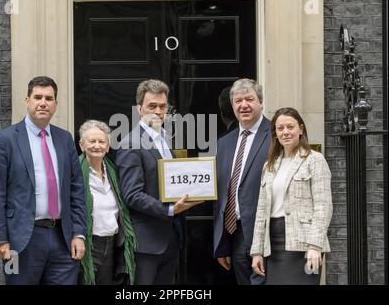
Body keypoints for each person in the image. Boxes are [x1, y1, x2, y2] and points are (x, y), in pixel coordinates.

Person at [0, 76, 87, 285]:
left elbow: (76, 189)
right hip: (19, 241)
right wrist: (0, 238)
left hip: (63, 238)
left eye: (49, 98)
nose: (43, 102)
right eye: (38, 97)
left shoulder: (64, 138)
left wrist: (78, 233)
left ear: (55, 104)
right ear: (27, 101)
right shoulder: (5, 140)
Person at [116, 79, 202, 284]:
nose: (157, 111)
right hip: (145, 243)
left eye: (162, 106)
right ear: (139, 109)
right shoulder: (130, 143)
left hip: (170, 239)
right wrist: (170, 209)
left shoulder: (164, 139)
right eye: (151, 106)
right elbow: (131, 195)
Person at [250, 107, 333, 285]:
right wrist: (256, 251)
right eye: (280, 128)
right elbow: (261, 211)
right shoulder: (269, 166)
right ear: (275, 133)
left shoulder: (315, 160)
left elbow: (323, 206)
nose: (285, 132)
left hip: (304, 244)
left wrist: (315, 245)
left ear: (300, 129)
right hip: (273, 245)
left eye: (290, 127)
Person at [213, 78, 271, 285]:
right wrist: (223, 243)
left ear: (261, 102)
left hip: (267, 234)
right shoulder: (224, 143)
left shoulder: (276, 135)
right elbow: (221, 194)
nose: (243, 105)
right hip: (236, 235)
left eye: (249, 99)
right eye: (238, 101)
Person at [78, 120, 136, 285]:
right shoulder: (74, 172)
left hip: (111, 245)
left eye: (101, 141)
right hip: (88, 245)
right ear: (81, 145)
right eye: (92, 141)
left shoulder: (113, 173)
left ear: (108, 146)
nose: (97, 146)